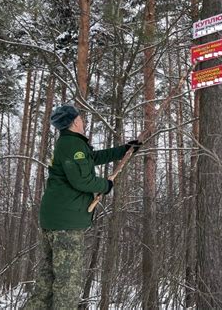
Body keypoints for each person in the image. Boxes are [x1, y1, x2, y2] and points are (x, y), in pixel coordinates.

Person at [23, 104, 141, 309]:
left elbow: (92, 159)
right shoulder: (72, 145)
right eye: (81, 118)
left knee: (47, 279)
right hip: (65, 224)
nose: (83, 121)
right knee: (67, 283)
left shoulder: (71, 144)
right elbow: (82, 180)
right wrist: (106, 185)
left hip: (55, 220)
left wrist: (124, 150)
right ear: (74, 122)